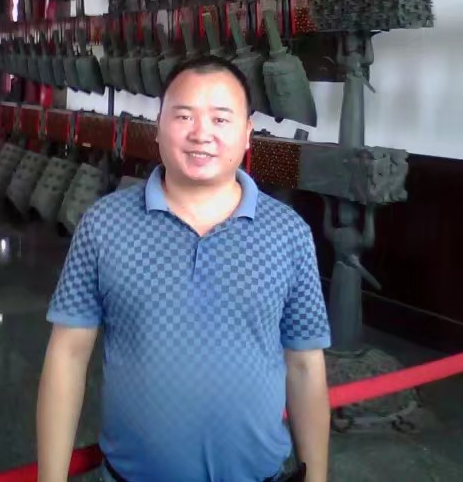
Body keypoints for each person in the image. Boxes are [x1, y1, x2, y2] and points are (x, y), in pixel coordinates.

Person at [37, 54, 331, 482]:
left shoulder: (289, 233)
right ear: (158, 127)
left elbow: (305, 365)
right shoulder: (104, 223)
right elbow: (68, 354)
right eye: (184, 116)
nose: (201, 134)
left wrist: (317, 477)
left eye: (220, 119)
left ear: (247, 133)